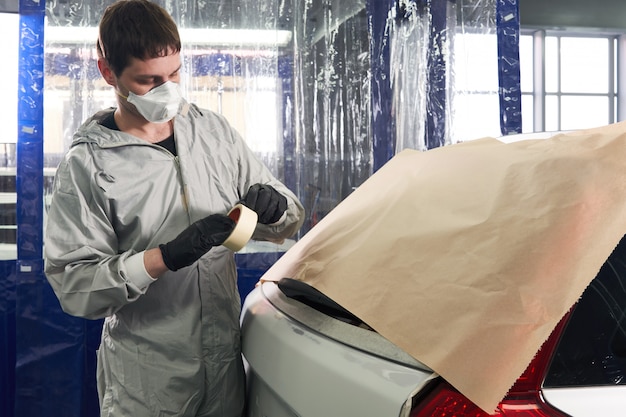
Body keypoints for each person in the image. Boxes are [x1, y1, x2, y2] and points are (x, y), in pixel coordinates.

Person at [43, 1, 305, 416]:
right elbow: (75, 287)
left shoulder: (213, 132)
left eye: (174, 74)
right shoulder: (89, 166)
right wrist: (160, 259)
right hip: (149, 379)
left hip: (225, 369)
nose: (167, 89)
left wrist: (277, 210)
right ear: (108, 73)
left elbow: (286, 219)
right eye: (148, 80)